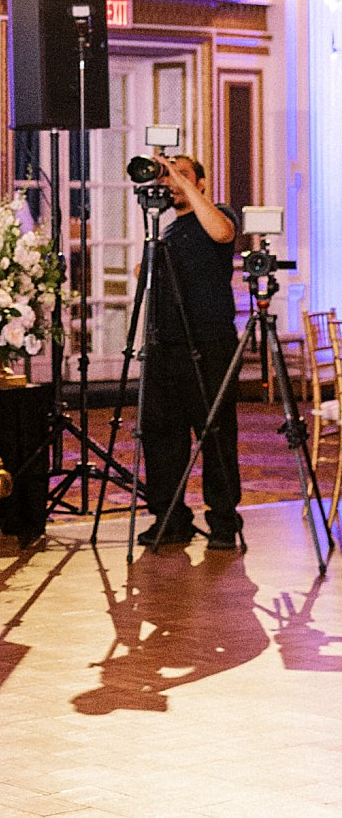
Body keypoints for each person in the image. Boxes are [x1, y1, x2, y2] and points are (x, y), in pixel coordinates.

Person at [140, 153, 243, 551]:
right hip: (167, 346)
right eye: (167, 177)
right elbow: (145, 275)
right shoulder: (168, 229)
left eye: (183, 176)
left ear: (201, 183)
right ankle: (170, 519)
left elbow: (221, 234)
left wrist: (180, 183)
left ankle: (222, 522)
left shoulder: (218, 214)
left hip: (211, 343)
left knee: (215, 434)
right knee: (162, 436)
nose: (172, 182)